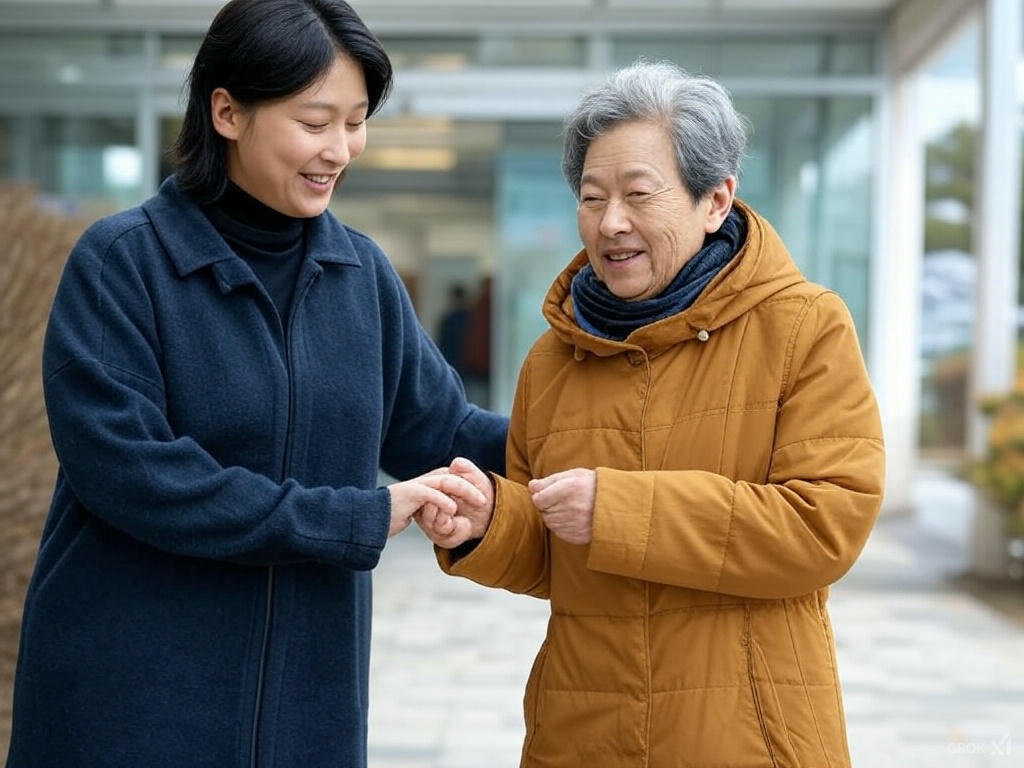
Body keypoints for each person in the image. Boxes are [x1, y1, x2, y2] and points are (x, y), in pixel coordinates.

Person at [5, 1, 506, 766]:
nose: (340, 149)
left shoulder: (362, 276)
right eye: (315, 122)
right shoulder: (123, 264)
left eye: (357, 121)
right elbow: (136, 475)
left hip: (308, 712)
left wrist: (622, 425)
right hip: (130, 707)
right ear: (228, 111)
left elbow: (448, 434)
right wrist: (352, 517)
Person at [417, 61, 884, 767]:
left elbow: (825, 526)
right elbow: (552, 556)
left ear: (716, 201)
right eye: (592, 196)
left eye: (638, 195)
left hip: (744, 740)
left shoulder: (803, 327)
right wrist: (489, 525)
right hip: (581, 735)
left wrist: (619, 510)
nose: (611, 223)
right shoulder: (552, 357)